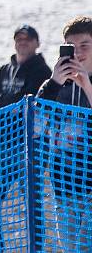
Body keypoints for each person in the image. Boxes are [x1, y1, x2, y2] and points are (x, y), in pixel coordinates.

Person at [0, 24, 51, 252]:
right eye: (19, 38)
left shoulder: (42, 72)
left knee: (32, 205)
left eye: (28, 39)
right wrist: (8, 102)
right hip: (4, 144)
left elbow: (25, 104)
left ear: (37, 43)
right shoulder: (4, 70)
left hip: (31, 146)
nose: (23, 42)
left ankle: (36, 249)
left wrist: (5, 101)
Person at [36, 16, 92, 250]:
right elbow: (35, 126)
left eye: (85, 46)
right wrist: (54, 83)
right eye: (71, 47)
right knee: (70, 248)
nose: (77, 53)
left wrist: (87, 86)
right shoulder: (53, 85)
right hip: (63, 184)